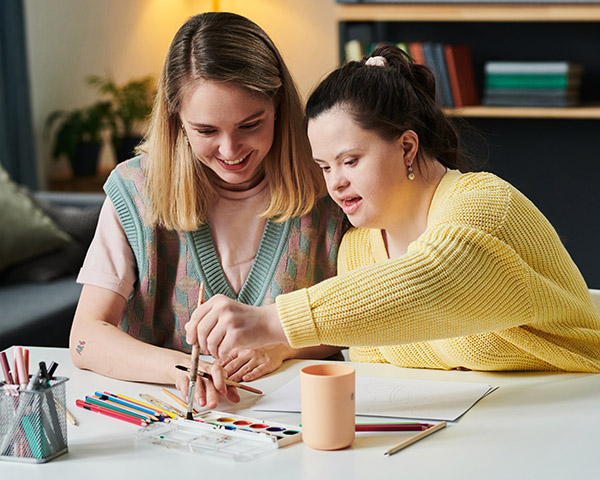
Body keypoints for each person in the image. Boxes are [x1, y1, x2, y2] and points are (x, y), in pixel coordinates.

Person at [186, 43, 600, 373]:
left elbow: (433, 280)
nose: (336, 182)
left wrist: (271, 323)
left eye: (350, 161)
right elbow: (383, 378)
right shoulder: (359, 250)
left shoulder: (485, 205)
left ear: (406, 146)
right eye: (325, 167)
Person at [69, 12, 347, 409]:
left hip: (299, 417)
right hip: (168, 422)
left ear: (279, 106)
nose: (231, 151)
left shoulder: (329, 185)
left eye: (251, 124)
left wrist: (282, 348)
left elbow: (365, 316)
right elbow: (85, 338)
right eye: (206, 131)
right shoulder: (135, 190)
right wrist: (179, 369)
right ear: (176, 120)